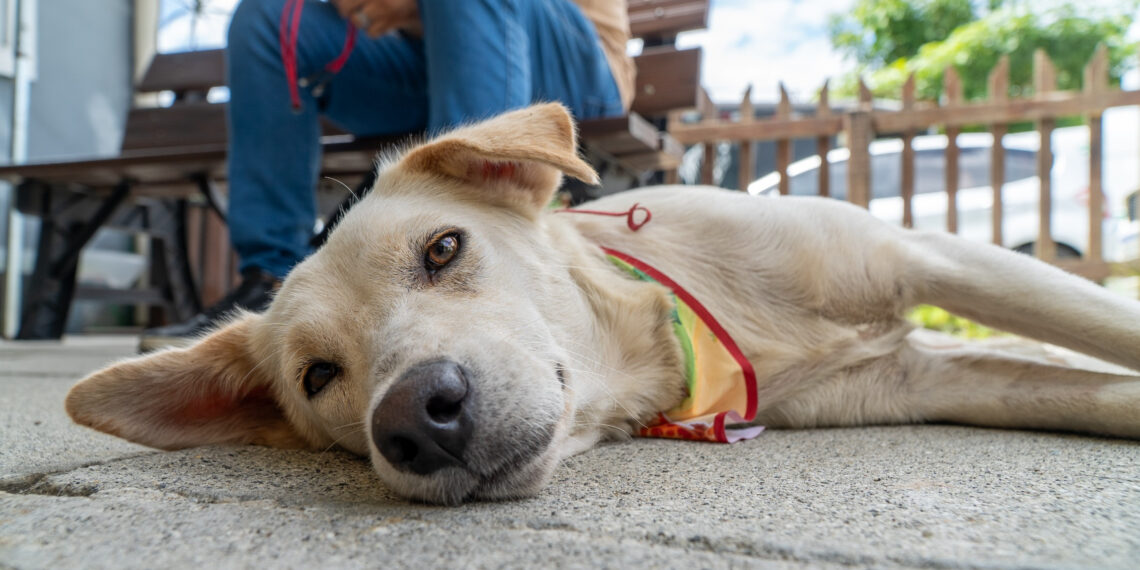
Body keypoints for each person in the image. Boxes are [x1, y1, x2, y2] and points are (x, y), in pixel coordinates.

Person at [140, 0, 634, 351]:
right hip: (433, 52)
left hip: (579, 62)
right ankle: (270, 276)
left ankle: (480, 257)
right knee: (270, 16)